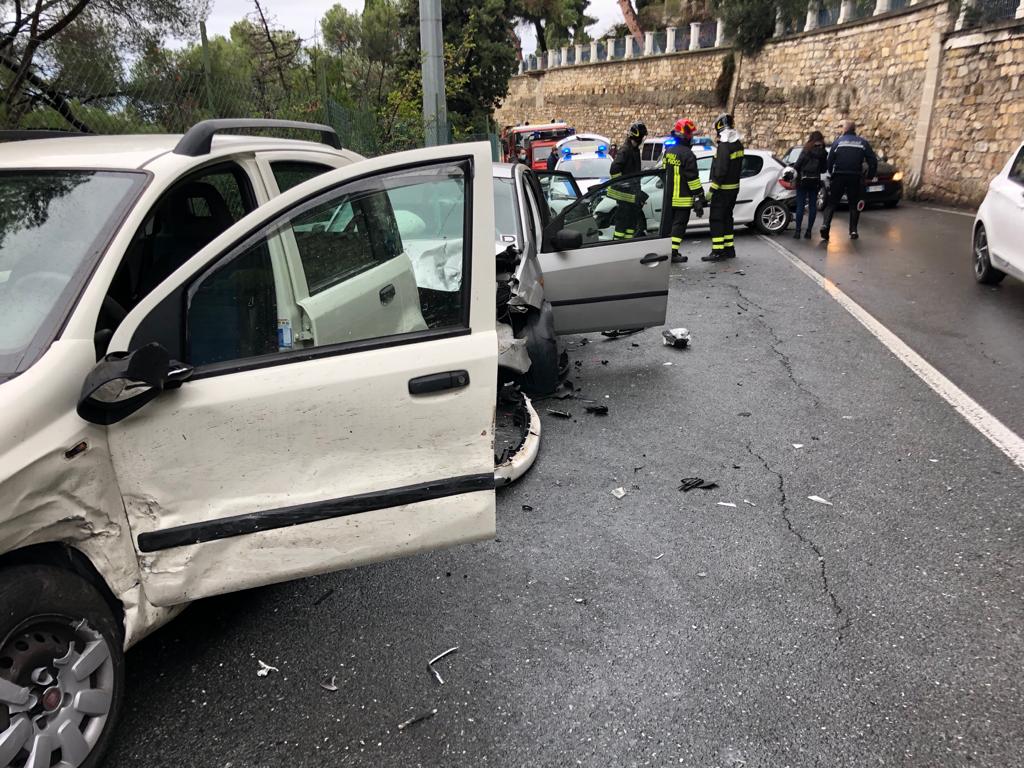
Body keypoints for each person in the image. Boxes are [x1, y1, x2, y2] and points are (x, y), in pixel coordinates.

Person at [820, 119, 877, 241]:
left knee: (832, 203)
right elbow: (872, 161)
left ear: (845, 129)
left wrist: (830, 172)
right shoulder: (863, 143)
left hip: (839, 176)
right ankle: (853, 230)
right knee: (853, 204)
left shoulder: (838, 142)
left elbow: (830, 160)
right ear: (854, 129)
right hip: (855, 177)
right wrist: (870, 176)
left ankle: (825, 225)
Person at [662, 118, 705, 263]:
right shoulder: (688, 154)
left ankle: (667, 251)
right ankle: (672, 253)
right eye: (689, 134)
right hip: (683, 198)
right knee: (679, 226)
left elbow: (663, 172)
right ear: (684, 135)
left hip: (667, 198)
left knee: (668, 225)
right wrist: (699, 196)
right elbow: (692, 179)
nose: (691, 137)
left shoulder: (669, 151)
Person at [703, 113, 743, 261]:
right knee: (727, 218)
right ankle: (729, 249)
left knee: (716, 219)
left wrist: (712, 190)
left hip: (722, 190)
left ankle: (718, 251)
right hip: (733, 189)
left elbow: (720, 171)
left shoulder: (724, 146)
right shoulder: (738, 144)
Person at [608, 121, 647, 240]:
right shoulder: (625, 150)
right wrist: (623, 184)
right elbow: (614, 169)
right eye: (642, 136)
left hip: (631, 195)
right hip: (624, 195)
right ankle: (617, 246)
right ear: (637, 136)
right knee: (622, 225)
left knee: (631, 225)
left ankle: (628, 244)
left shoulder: (634, 150)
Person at [792, 130, 827, 239]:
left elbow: (797, 165)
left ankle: (797, 232)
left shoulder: (806, 149)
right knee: (813, 207)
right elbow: (823, 169)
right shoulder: (823, 153)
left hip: (802, 181)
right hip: (814, 181)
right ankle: (808, 232)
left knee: (800, 206)